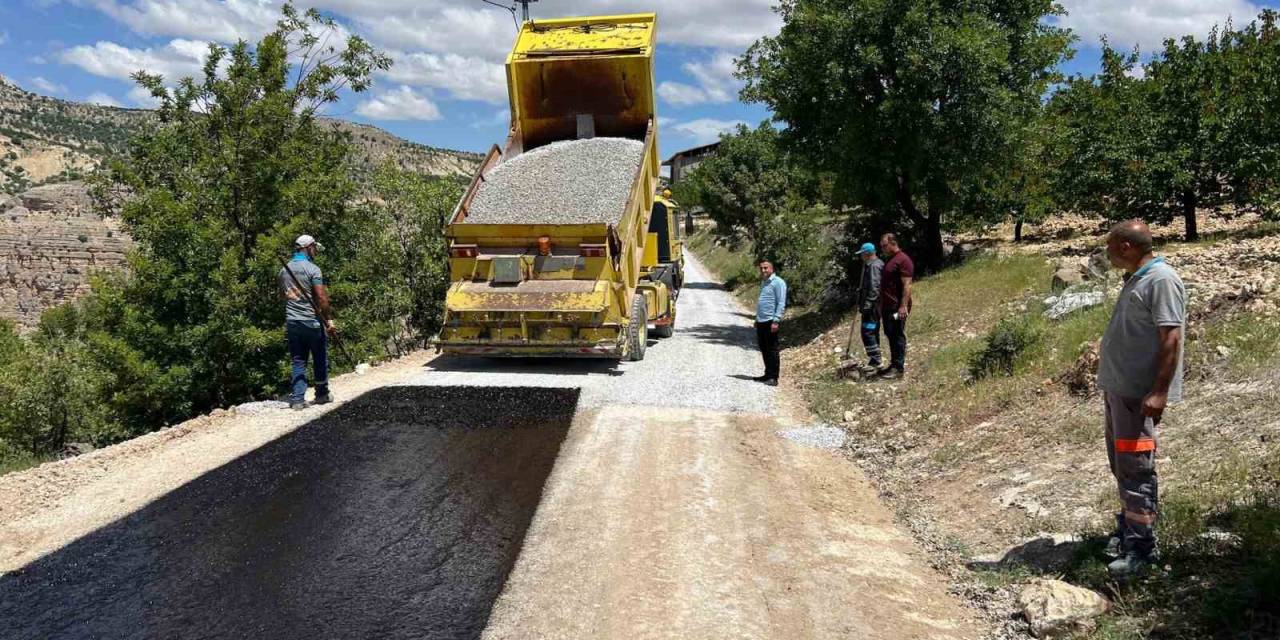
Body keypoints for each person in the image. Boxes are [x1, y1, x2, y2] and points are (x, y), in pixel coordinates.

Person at [1096, 220, 1186, 579]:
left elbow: (1171, 338)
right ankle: (1128, 529)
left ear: (1125, 247)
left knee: (1136, 468)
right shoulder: (1139, 277)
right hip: (1120, 391)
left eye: (1110, 246)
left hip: (1137, 394)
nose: (1107, 253)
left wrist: (1160, 391)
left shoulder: (1161, 279)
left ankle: (1142, 550)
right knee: (1122, 465)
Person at [280, 235, 338, 410]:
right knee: (319, 355)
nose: (316, 252)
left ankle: (298, 399)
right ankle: (321, 394)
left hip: (292, 321)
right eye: (315, 248)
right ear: (308, 247)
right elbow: (321, 298)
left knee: (298, 360)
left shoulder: (284, 270)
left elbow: (282, 295)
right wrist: (329, 320)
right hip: (311, 320)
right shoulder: (313, 269)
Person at [877, 233, 914, 379]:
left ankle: (898, 368)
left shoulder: (903, 260)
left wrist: (903, 306)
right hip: (887, 306)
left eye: (884, 245)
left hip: (897, 306)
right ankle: (893, 365)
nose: (883, 249)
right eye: (881, 246)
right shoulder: (892, 260)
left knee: (897, 334)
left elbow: (907, 285)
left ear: (893, 243)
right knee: (890, 334)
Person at [755, 260, 787, 386]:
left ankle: (774, 377)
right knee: (764, 348)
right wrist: (756, 319)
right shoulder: (764, 282)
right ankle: (767, 374)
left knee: (772, 349)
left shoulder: (778, 282)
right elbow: (763, 301)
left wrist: (776, 320)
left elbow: (781, 302)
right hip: (761, 320)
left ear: (772, 269)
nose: (763, 270)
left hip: (770, 321)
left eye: (766, 268)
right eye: (761, 268)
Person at [855, 242, 884, 373]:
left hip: (872, 308)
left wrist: (867, 304)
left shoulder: (874, 266)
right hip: (872, 306)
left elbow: (875, 287)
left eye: (861, 254)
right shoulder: (871, 265)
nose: (860, 256)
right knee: (871, 331)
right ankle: (874, 359)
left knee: (868, 332)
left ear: (867, 254)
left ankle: (876, 360)